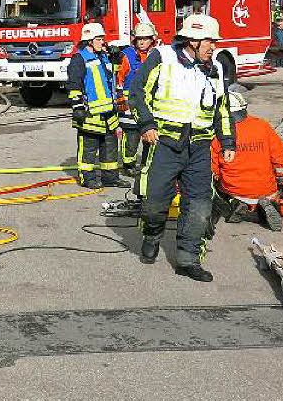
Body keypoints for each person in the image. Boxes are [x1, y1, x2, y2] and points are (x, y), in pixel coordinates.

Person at [132, 14, 234, 281]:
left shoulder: (216, 68)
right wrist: (146, 124)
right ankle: (152, 234)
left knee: (200, 206)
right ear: (192, 41)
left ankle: (188, 260)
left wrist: (227, 141)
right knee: (154, 203)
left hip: (199, 148)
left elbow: (222, 109)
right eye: (209, 42)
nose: (213, 47)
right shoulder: (162, 58)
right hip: (164, 144)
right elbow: (137, 91)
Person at [211, 92, 283, 232]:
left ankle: (235, 204)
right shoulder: (263, 126)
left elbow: (212, 169)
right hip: (267, 189)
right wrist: (280, 181)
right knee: (265, 194)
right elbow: (280, 157)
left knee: (216, 188)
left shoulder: (219, 134)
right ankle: (265, 206)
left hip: (235, 189)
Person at [67, 22, 127, 190]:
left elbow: (113, 77)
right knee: (88, 149)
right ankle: (87, 178)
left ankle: (110, 177)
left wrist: (117, 58)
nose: (103, 42)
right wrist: (77, 107)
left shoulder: (104, 57)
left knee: (110, 148)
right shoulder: (79, 59)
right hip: (90, 114)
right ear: (89, 41)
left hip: (109, 114)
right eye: (99, 39)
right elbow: (74, 85)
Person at [116, 22, 158, 177]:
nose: (142, 42)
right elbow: (118, 80)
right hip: (129, 105)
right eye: (139, 39)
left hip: (150, 104)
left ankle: (147, 164)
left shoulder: (156, 55)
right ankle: (129, 165)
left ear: (151, 40)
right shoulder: (127, 56)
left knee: (150, 135)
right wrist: (120, 100)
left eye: (145, 39)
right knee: (131, 137)